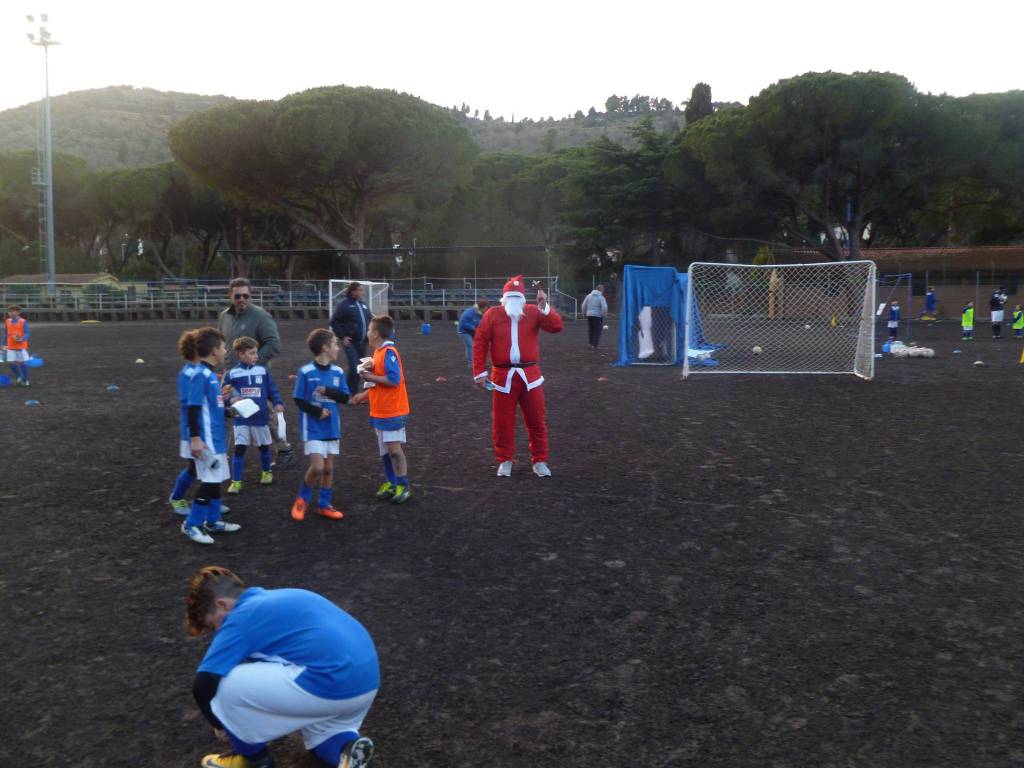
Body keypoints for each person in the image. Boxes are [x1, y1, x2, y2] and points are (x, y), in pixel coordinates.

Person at [185, 566, 378, 768]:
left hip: (329, 683)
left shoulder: (242, 616)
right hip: (365, 684)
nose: (217, 631)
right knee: (325, 734)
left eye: (213, 624)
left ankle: (255, 761)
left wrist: (220, 724)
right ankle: (346, 751)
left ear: (222, 604)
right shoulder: (286, 596)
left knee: (225, 687)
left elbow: (203, 683)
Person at [473, 275, 563, 477]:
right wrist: (479, 372)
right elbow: (480, 341)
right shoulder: (492, 315)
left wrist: (545, 306)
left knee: (536, 420)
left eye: (517, 296)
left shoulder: (533, 311)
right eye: (510, 296)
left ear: (523, 298)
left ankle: (540, 460)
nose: (513, 300)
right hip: (503, 377)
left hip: (531, 376)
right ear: (504, 298)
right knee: (502, 422)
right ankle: (505, 459)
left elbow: (556, 326)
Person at [182, 327, 242, 544]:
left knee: (215, 481)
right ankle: (192, 524)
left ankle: (213, 521)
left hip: (216, 438)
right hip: (206, 440)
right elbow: (193, 408)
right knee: (209, 482)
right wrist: (196, 439)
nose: (226, 351)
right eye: (224, 347)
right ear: (214, 350)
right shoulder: (200, 375)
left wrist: (228, 411)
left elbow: (211, 407)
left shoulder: (209, 376)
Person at [350, 315, 411, 504]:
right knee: (385, 451)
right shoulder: (377, 353)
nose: (367, 333)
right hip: (380, 411)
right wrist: (364, 396)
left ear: (375, 334)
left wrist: (368, 376)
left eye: (369, 330)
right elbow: (379, 383)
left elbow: (393, 380)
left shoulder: (388, 352)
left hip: (392, 411)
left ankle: (403, 485)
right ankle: (392, 482)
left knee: (393, 450)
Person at [291, 329, 349, 522]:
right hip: (313, 428)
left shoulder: (338, 372)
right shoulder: (306, 372)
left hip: (332, 427)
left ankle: (324, 505)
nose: (338, 348)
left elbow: (345, 396)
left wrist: (329, 391)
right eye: (335, 344)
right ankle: (302, 500)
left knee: (328, 469)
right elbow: (298, 400)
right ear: (325, 348)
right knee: (317, 467)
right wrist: (317, 411)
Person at [225, 336, 285, 494]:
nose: (256, 356)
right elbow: (224, 394)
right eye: (252, 353)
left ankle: (266, 472)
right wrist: (231, 399)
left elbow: (272, 389)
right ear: (240, 354)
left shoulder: (262, 371)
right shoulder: (232, 374)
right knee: (239, 449)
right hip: (241, 419)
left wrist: (278, 402)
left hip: (260, 418)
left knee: (264, 447)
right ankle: (236, 482)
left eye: (256, 353)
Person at [218, 278, 282, 369]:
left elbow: (273, 344)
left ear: (250, 295)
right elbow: (221, 344)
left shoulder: (261, 316)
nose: (242, 299)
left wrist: (252, 365)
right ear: (230, 295)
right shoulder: (224, 316)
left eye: (245, 296)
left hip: (254, 375)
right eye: (237, 296)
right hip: (230, 374)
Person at [330, 282, 373, 396]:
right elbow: (334, 322)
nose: (362, 292)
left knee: (361, 368)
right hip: (351, 342)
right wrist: (343, 336)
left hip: (363, 342)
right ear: (353, 292)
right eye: (360, 290)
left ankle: (355, 393)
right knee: (354, 367)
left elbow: (370, 320)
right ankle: (349, 394)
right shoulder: (344, 305)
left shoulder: (364, 305)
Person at [2, 305, 31, 386]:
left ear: (18, 312)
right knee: (11, 363)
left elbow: (27, 333)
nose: (10, 313)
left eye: (12, 311)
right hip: (10, 346)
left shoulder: (23, 321)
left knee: (23, 363)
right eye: (9, 311)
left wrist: (23, 338)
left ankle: (25, 380)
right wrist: (2, 344)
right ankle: (19, 376)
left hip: (21, 346)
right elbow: (5, 333)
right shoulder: (7, 321)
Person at [456, 299, 489, 366]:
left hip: (473, 331)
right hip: (463, 332)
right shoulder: (469, 312)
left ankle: (478, 361)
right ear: (481, 307)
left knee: (479, 345)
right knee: (470, 345)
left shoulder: (481, 313)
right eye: (485, 309)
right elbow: (463, 323)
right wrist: (474, 328)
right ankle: (471, 363)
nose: (486, 311)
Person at [581, 284, 608, 350]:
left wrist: (583, 313)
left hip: (589, 315)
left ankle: (590, 343)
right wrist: (604, 314)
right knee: (597, 331)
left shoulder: (588, 296)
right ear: (601, 290)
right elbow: (604, 307)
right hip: (598, 316)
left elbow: (583, 305)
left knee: (591, 330)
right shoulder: (601, 297)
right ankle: (595, 345)